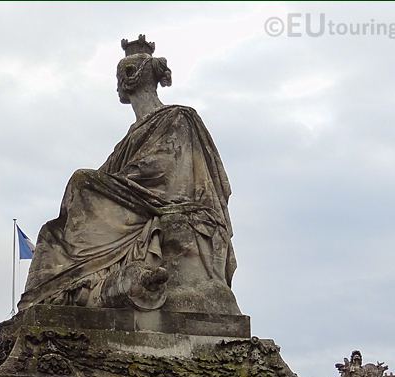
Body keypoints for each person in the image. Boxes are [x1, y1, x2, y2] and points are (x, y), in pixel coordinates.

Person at [18, 35, 238, 315]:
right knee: (51, 234)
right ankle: (49, 296)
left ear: (128, 77)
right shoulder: (129, 137)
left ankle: (83, 274)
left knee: (81, 181)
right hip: (134, 196)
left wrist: (121, 180)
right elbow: (109, 173)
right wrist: (113, 181)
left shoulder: (178, 117)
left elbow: (163, 168)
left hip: (157, 198)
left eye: (118, 77)